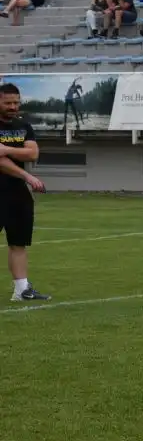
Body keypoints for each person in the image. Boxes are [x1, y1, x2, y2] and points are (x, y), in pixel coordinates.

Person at [0, 83, 50, 302]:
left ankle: (21, 290)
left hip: (16, 192)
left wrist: (7, 149)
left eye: (16, 102)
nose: (13, 106)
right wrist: (28, 176)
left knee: (18, 242)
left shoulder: (24, 126)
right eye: (7, 102)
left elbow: (33, 154)